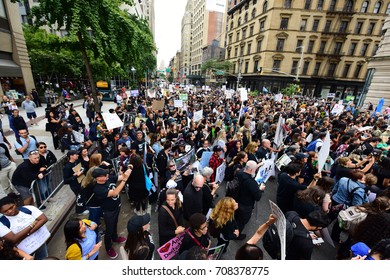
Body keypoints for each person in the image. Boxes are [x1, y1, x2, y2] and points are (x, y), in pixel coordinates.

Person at [92, 167, 131, 259]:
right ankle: (108, 248)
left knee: (115, 224)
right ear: (98, 178)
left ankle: (115, 238)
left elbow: (121, 177)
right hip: (108, 211)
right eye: (104, 175)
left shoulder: (109, 178)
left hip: (116, 207)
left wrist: (128, 170)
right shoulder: (98, 189)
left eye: (106, 174)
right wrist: (125, 180)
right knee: (109, 229)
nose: (107, 175)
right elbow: (115, 192)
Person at [0, 194, 49, 260]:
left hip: (40, 242)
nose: (10, 211)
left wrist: (22, 236)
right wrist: (32, 225)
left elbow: (43, 219)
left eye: (11, 207)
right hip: (24, 252)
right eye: (5, 211)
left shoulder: (28, 209)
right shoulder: (2, 223)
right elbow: (13, 239)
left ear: (15, 203)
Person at [235, 160, 265, 236]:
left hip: (236, 199)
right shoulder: (251, 182)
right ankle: (237, 235)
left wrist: (257, 165)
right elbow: (257, 197)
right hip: (245, 205)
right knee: (241, 221)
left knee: (236, 217)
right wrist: (260, 190)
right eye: (255, 169)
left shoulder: (240, 173)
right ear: (251, 170)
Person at [63, 150, 89, 215]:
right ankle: (79, 211)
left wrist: (82, 171)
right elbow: (66, 180)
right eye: (76, 154)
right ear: (71, 156)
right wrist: (74, 176)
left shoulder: (77, 161)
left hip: (81, 181)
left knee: (84, 194)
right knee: (79, 196)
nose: (77, 155)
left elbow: (83, 167)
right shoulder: (67, 167)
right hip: (74, 184)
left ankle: (84, 207)